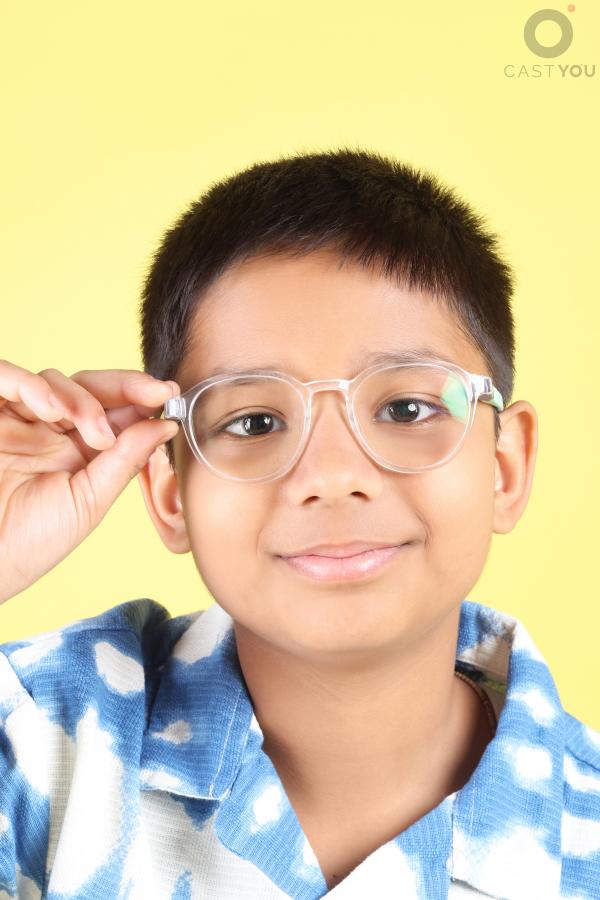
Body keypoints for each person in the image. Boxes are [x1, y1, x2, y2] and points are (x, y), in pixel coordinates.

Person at [0, 148, 598, 900]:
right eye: (254, 421)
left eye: (406, 408)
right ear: (169, 490)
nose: (331, 475)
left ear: (505, 467)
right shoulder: (37, 740)